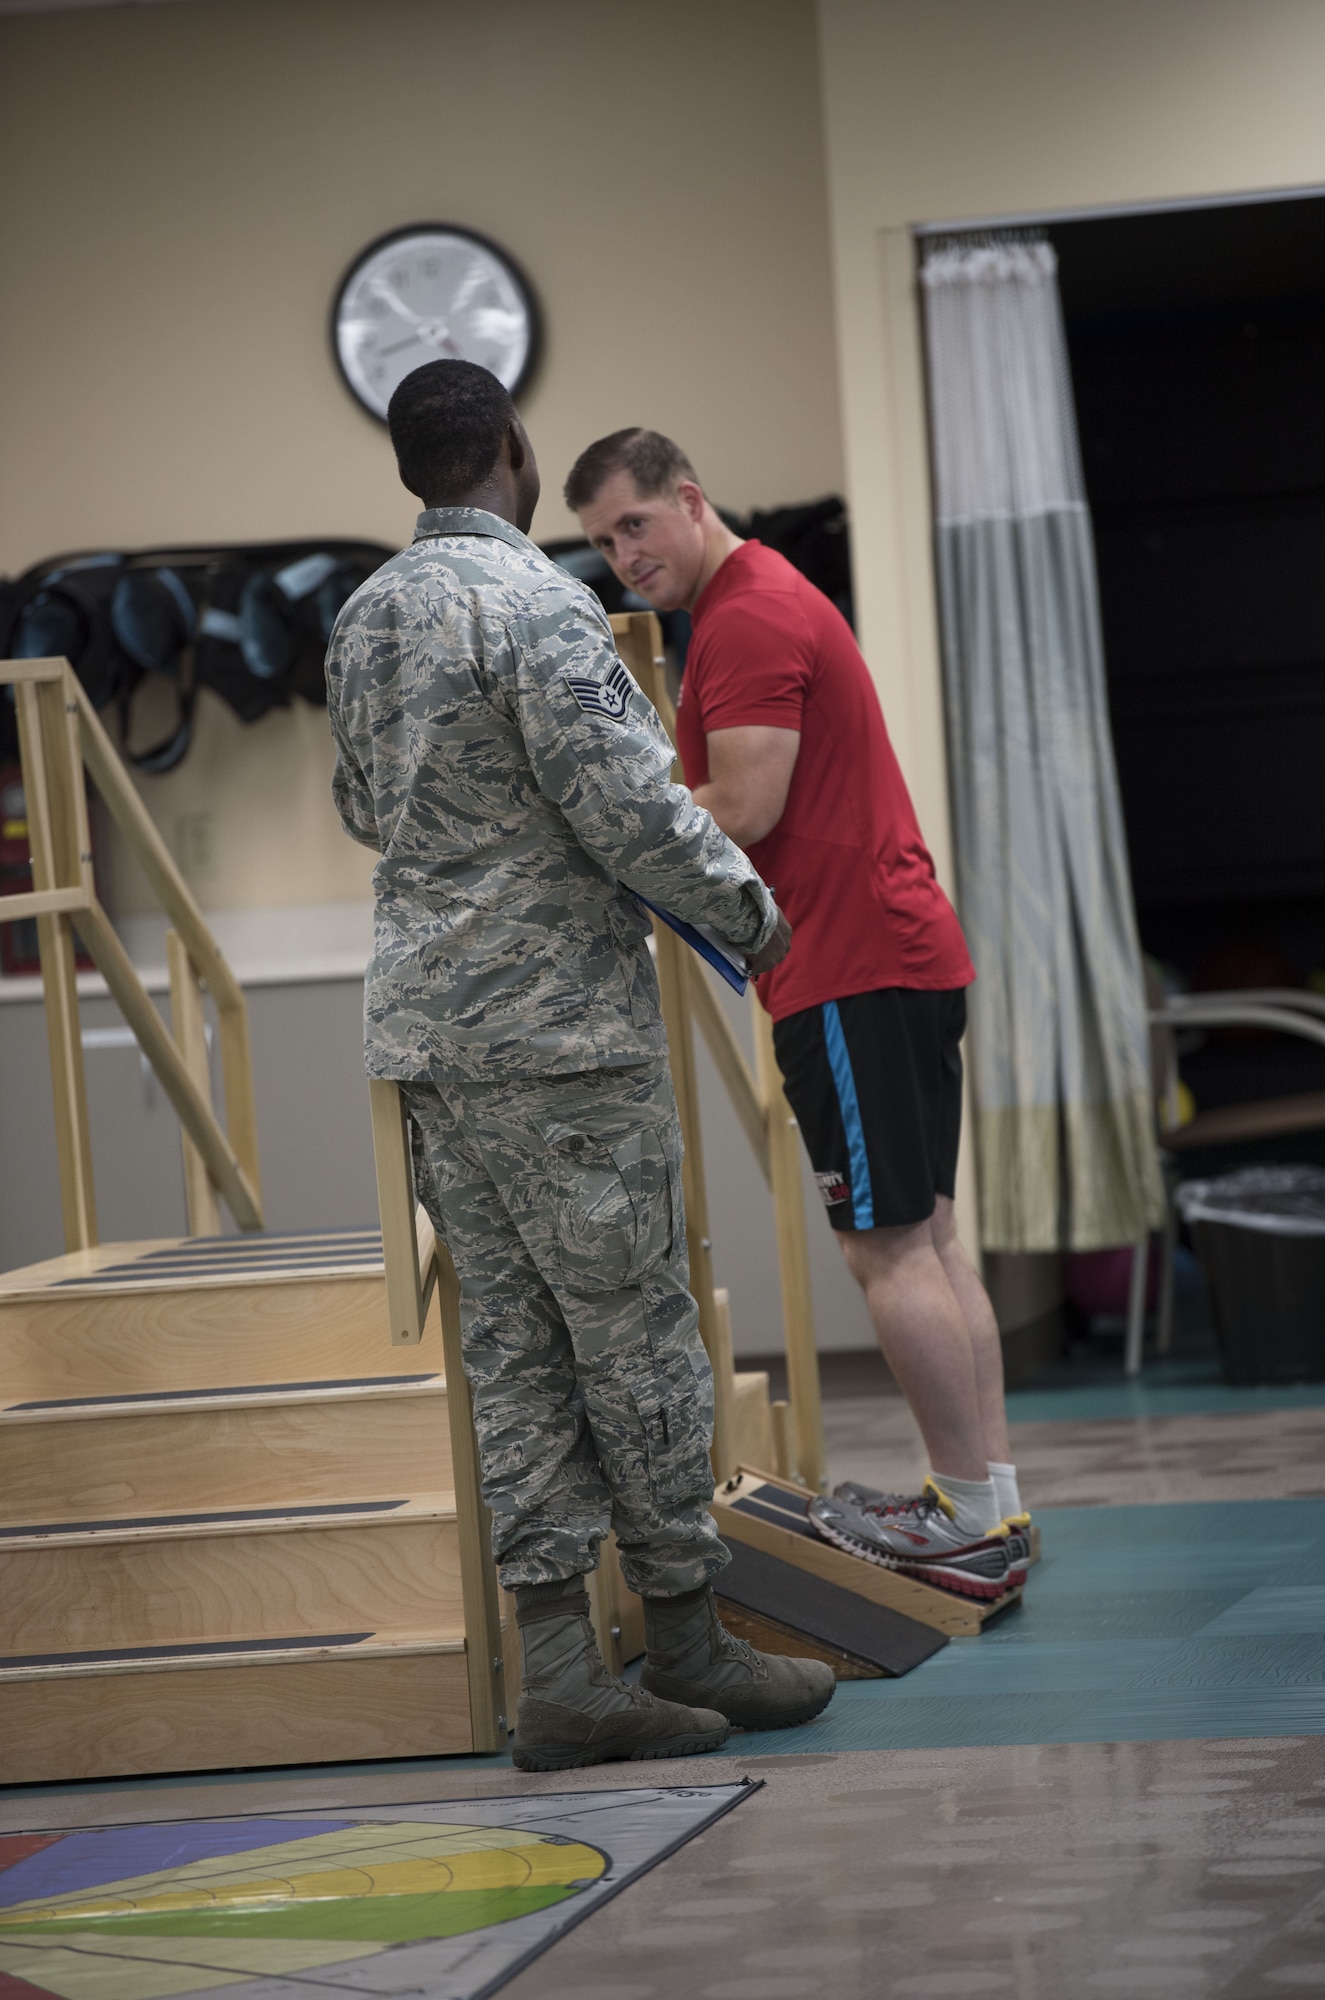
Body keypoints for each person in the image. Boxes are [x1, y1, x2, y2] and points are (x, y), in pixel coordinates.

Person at [327, 363, 835, 1771]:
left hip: (428, 1043)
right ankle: (684, 1643)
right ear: (512, 450)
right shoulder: (541, 607)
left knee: (510, 1350)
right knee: (635, 1338)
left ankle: (559, 1668)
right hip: (559, 1042)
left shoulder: (364, 620)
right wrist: (752, 915)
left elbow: (362, 807)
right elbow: (625, 804)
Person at [566, 428, 1027, 1601]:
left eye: (634, 525)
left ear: (690, 498)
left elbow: (749, 802)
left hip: (851, 966)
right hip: (894, 952)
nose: (623, 556)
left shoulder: (747, 618)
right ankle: (987, 1500)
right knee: (926, 1238)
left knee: (885, 1252)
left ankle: (967, 1511)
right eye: (600, 542)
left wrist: (603, 833)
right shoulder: (752, 601)